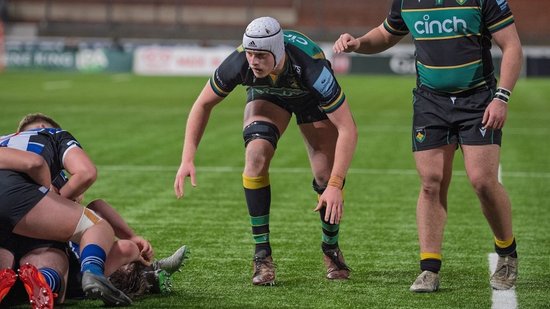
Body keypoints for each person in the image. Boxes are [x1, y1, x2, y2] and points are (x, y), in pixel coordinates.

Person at [333, 0, 522, 292]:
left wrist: (502, 97)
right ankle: (429, 269)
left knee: (483, 181)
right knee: (431, 182)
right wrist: (358, 43)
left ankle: (507, 252)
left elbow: (511, 46)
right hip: (430, 103)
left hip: (478, 101)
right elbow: (386, 34)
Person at [174, 16, 358, 285]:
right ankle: (262, 256)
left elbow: (348, 129)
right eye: (250, 53)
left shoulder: (312, 69)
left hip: (309, 98)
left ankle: (330, 248)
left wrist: (335, 183)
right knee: (255, 157)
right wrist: (187, 157)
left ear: (278, 51)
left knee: (324, 175)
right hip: (268, 95)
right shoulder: (240, 63)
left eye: (261, 55)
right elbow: (202, 104)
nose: (253, 61)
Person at [0, 113, 132, 306]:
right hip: (21, 199)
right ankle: (91, 273)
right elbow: (85, 173)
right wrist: (52, 196)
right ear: (46, 126)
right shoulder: (53, 136)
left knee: (7, 248)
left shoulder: (4, 141)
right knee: (94, 227)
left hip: (13, 217)